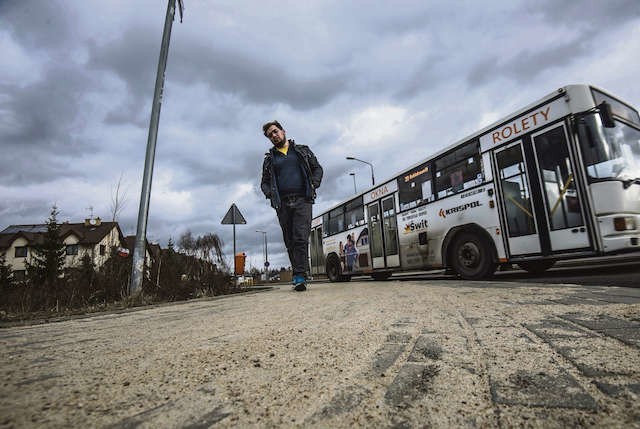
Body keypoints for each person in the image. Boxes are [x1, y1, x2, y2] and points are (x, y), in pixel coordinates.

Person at [260, 120, 323, 291]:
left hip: (303, 200)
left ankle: (300, 276)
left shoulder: (302, 151)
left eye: (275, 131)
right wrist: (270, 194)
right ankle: (297, 273)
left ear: (283, 131)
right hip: (283, 204)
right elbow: (264, 183)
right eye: (270, 135)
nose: (273, 136)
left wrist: (313, 184)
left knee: (300, 238)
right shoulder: (269, 160)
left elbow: (318, 169)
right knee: (290, 241)